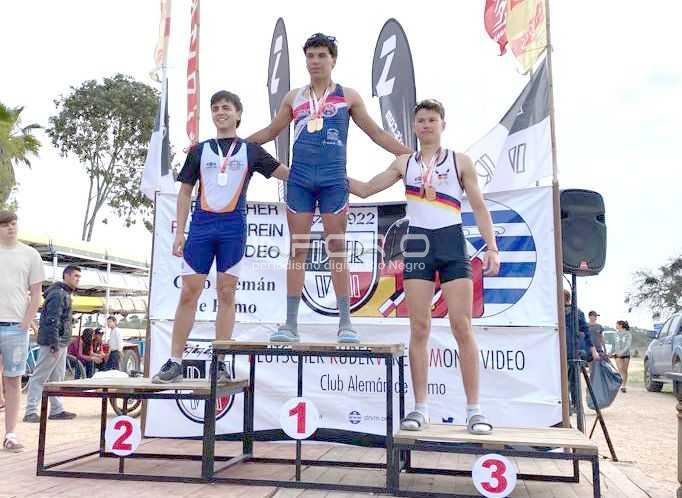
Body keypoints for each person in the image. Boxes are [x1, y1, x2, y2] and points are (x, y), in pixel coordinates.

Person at [247, 33, 412, 344]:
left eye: (322, 55)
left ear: (333, 60)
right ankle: (291, 325)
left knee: (336, 248)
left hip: (334, 181)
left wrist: (412, 156)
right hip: (300, 181)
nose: (315, 61)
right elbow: (270, 131)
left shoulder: (348, 96)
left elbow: (376, 133)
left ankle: (346, 324)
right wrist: (233, 146)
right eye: (310, 56)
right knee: (298, 250)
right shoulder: (293, 98)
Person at [349, 99, 500, 434]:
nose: (426, 125)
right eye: (421, 120)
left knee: (462, 325)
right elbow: (366, 189)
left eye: (432, 119)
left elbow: (478, 206)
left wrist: (492, 247)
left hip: (451, 242)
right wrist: (332, 177)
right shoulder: (404, 163)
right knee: (419, 328)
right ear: (414, 127)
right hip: (418, 243)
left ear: (443, 124)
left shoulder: (460, 161)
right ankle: (420, 408)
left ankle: (474, 410)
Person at [152, 90, 289, 384]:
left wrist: (320, 178)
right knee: (189, 293)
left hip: (232, 228)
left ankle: (221, 362)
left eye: (226, 107)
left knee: (227, 293)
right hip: (201, 227)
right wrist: (180, 232)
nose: (220, 112)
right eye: (215, 108)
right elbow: (185, 192)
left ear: (238, 114)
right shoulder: (199, 151)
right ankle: (175, 361)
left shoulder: (250, 150)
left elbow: (286, 174)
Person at [0, 210, 44, 451]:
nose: (11, 227)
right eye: (5, 224)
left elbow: (36, 293)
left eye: (14, 223)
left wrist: (26, 322)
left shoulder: (30, 254)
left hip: (15, 328)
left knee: (13, 381)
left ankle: (10, 434)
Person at [23, 265, 81, 423]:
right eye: (75, 276)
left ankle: (57, 409)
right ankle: (30, 411)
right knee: (40, 377)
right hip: (53, 342)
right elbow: (52, 320)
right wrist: (55, 344)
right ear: (67, 276)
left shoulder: (62, 293)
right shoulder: (58, 294)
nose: (78, 279)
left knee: (57, 378)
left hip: (59, 342)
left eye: (79, 276)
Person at [563, 289, 598, 413]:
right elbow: (586, 332)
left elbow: (586, 332)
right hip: (573, 350)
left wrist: (593, 349)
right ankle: (574, 405)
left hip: (567, 350)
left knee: (567, 380)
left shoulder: (560, 311)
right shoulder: (577, 312)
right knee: (573, 380)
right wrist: (593, 349)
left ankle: (572, 406)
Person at [613, 320, 632, 393]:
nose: (616, 326)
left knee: (624, 370)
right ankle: (620, 384)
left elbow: (628, 345)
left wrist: (622, 352)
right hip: (617, 354)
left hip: (626, 354)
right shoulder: (616, 334)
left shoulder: (628, 334)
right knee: (620, 369)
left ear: (621, 325)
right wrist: (611, 352)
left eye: (617, 324)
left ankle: (624, 385)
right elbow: (614, 344)